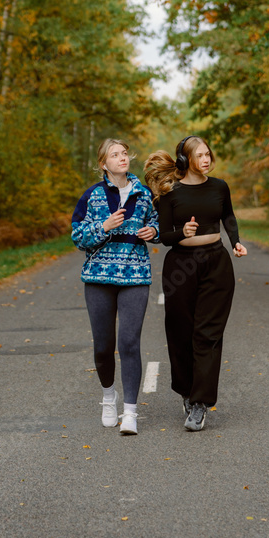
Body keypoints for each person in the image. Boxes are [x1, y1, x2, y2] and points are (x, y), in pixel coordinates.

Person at [144, 135, 247, 432]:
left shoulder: (219, 187)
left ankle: (200, 403)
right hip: (181, 267)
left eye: (208, 154)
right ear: (184, 160)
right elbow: (164, 236)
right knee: (180, 332)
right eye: (199, 155)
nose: (206, 159)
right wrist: (183, 233)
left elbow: (228, 216)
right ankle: (186, 392)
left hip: (217, 263)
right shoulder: (169, 192)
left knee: (208, 333)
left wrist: (236, 242)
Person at [72, 138, 159, 435]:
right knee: (103, 346)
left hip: (135, 276)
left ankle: (131, 412)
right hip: (98, 279)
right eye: (115, 155)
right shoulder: (92, 196)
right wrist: (104, 227)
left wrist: (154, 231)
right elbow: (78, 237)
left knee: (129, 343)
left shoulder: (144, 195)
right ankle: (109, 397)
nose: (122, 158)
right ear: (103, 164)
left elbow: (158, 224)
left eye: (124, 153)